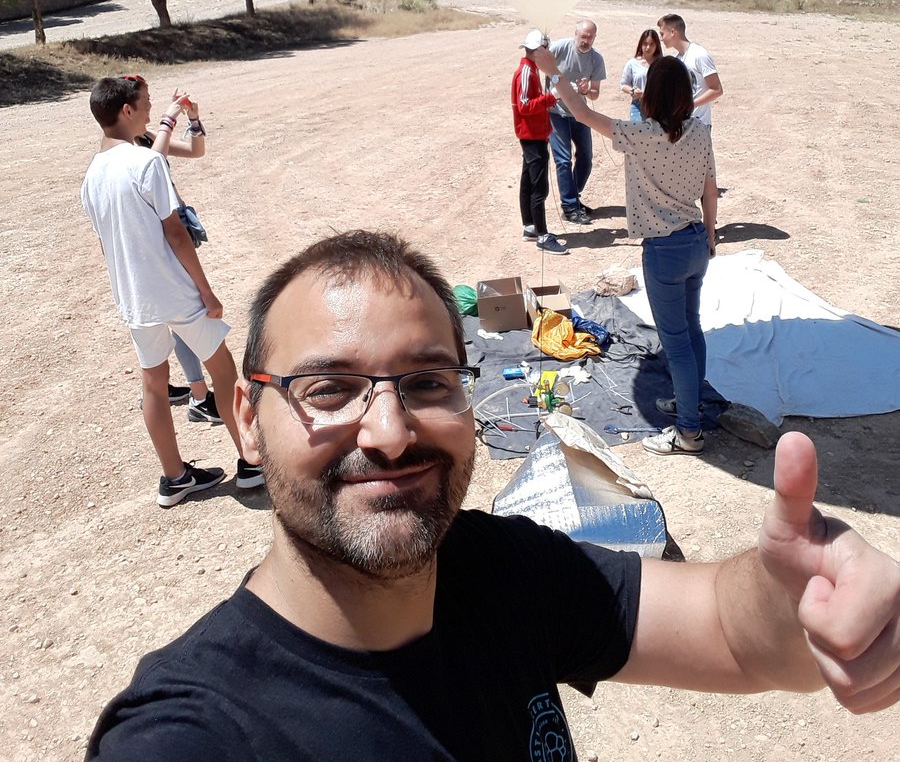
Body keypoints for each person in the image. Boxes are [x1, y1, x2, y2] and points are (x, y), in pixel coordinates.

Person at [86, 230, 900, 760]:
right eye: (329, 389)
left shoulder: (502, 570)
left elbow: (733, 631)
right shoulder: (195, 733)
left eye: (427, 381)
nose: (391, 432)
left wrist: (800, 597)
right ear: (248, 422)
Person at [81, 77, 264, 505]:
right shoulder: (146, 164)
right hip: (174, 291)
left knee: (154, 386)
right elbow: (176, 233)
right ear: (126, 111)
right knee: (223, 371)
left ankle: (175, 477)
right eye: (144, 104)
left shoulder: (91, 176)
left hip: (134, 299)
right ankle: (252, 462)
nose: (148, 111)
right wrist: (207, 291)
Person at [536, 49, 716, 455]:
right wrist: (711, 234)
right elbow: (709, 186)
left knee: (677, 343)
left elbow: (581, 113)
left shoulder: (641, 135)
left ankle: (689, 432)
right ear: (686, 95)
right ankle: (691, 404)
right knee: (693, 329)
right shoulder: (700, 132)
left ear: (651, 93)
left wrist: (554, 72)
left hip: (665, 251)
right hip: (694, 242)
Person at [130, 75, 221, 425]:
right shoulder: (134, 148)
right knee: (186, 316)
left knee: (177, 320)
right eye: (146, 101)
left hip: (166, 237)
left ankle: (180, 390)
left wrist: (193, 120)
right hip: (159, 242)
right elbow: (153, 163)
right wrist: (171, 118)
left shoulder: (147, 137)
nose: (149, 107)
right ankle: (198, 395)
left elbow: (196, 151)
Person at [512, 29, 568, 255]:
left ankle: (531, 226)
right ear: (538, 51)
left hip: (533, 134)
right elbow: (525, 105)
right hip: (531, 135)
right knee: (538, 186)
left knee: (528, 180)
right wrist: (551, 97)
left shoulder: (531, 70)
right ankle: (542, 236)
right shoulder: (526, 72)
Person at [547, 19, 606, 224]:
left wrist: (586, 90)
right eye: (583, 36)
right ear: (575, 34)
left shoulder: (596, 59)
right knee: (563, 160)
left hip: (580, 113)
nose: (586, 41)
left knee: (586, 159)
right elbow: (541, 63)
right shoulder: (560, 48)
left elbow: (595, 94)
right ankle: (570, 206)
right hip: (556, 112)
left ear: (594, 38)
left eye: (590, 37)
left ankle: (573, 196)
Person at [657, 13, 722, 127]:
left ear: (673, 32)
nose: (661, 39)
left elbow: (717, 90)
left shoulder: (699, 55)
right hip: (680, 124)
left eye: (662, 34)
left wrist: (691, 105)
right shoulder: (677, 59)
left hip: (699, 125)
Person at [620, 28, 663, 122]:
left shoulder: (662, 64)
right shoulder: (632, 63)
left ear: (657, 46)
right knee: (637, 134)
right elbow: (623, 85)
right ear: (640, 44)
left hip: (658, 106)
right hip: (638, 105)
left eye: (652, 44)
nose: (648, 47)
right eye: (645, 44)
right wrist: (633, 91)